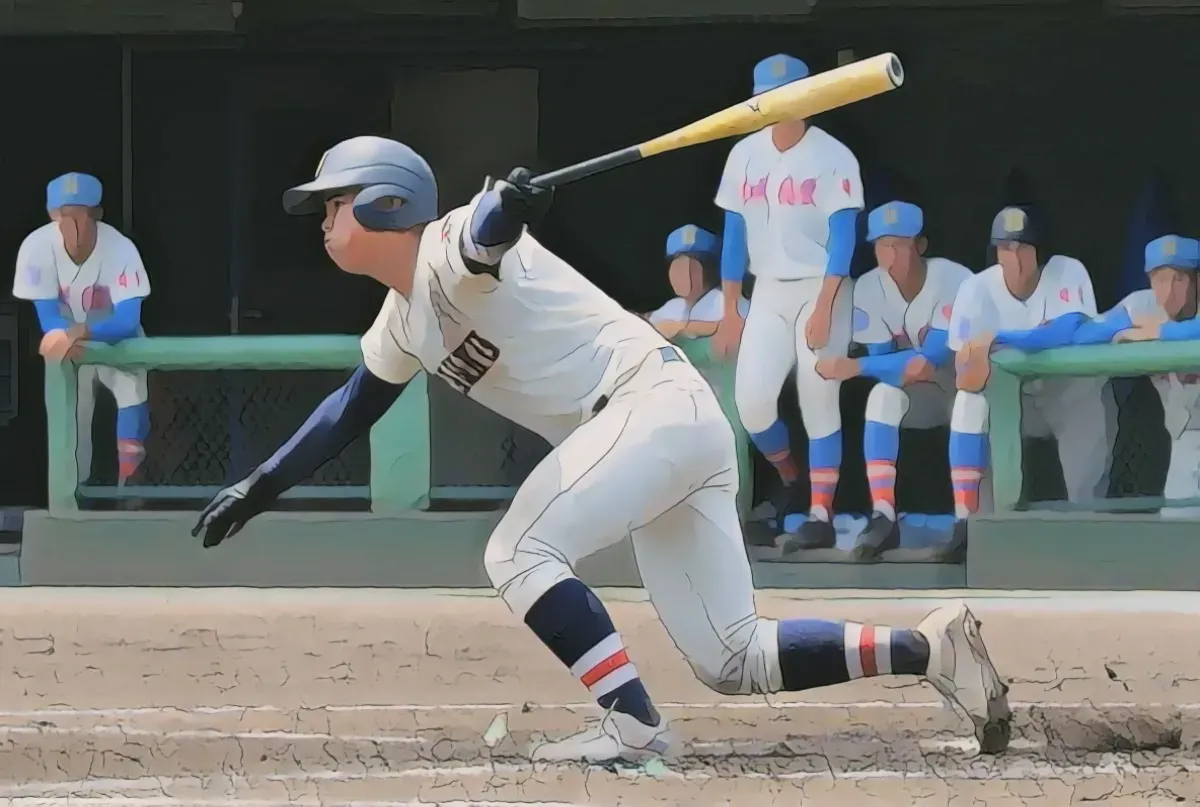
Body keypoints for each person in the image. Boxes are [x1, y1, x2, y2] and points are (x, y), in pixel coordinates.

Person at [191, 135, 1010, 763]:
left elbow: (483, 236)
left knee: (518, 550)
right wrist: (257, 487)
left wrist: (505, 205)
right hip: (660, 429)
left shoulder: (448, 247)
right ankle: (928, 646)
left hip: (645, 409)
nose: (325, 220)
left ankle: (632, 724)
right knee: (732, 658)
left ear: (381, 204)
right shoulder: (403, 319)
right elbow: (347, 409)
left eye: (334, 203)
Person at [712, 53, 863, 550]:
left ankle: (820, 513)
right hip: (769, 290)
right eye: (767, 97)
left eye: (786, 95)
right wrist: (731, 308)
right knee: (752, 404)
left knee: (818, 395)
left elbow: (844, 239)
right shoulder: (744, 154)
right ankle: (791, 479)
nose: (776, 106)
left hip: (823, 286)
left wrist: (824, 307)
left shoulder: (835, 154)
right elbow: (733, 234)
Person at [946, 206, 1116, 558]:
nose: (1016, 257)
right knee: (971, 403)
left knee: (1088, 396)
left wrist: (996, 339)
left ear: (1039, 251)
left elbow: (1070, 330)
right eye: (1006, 248)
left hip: (1064, 390)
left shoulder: (1068, 272)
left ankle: (1088, 529)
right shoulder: (975, 289)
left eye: (1024, 247)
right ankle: (975, 526)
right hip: (1010, 397)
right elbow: (965, 373)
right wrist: (1015, 345)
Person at [814, 202, 970, 560]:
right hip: (916, 394)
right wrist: (884, 366)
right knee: (881, 397)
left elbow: (930, 358)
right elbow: (887, 360)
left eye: (900, 244)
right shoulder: (870, 286)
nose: (890, 254)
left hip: (961, 386)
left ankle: (968, 520)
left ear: (920, 245)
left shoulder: (953, 278)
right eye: (883, 245)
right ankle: (884, 516)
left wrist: (856, 367)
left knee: (969, 408)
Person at [12, 172, 151, 488]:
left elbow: (128, 320)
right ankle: (77, 499)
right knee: (73, 426)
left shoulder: (120, 248)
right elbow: (48, 318)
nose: (74, 225)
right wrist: (71, 335)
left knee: (133, 411)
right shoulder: (36, 247)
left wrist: (79, 331)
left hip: (119, 344)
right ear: (52, 216)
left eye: (82, 214)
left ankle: (132, 495)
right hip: (73, 348)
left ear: (97, 215)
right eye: (65, 215)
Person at [1074, 234, 1200, 516]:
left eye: (1179, 279)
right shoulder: (1143, 306)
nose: (1168, 292)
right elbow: (1083, 335)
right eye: (1159, 279)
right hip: (1187, 440)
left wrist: (1159, 332)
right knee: (1179, 527)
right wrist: (1124, 326)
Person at [645, 225, 748, 340]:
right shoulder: (673, 307)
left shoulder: (726, 302)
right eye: (677, 267)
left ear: (710, 269)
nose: (684, 275)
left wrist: (681, 328)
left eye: (693, 268)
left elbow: (744, 327)